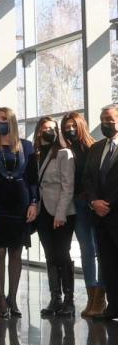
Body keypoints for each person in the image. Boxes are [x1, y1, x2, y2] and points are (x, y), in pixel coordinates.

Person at [0, 107, 38, 320]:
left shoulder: (27, 146)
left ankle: (13, 297)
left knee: (16, 252)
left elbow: (32, 179)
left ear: (11, 120)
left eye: (4, 119)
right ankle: (0, 297)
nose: (0, 122)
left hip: (20, 205)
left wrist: (34, 203)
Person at [61, 112, 105, 317]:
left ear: (80, 125)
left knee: (101, 251)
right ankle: (91, 296)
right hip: (78, 204)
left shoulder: (95, 147)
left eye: (72, 125)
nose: (69, 129)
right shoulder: (66, 151)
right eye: (66, 126)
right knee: (87, 251)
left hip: (94, 205)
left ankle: (100, 298)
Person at [32, 116, 76, 317]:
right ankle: (54, 298)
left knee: (62, 254)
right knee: (50, 255)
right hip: (42, 212)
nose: (47, 131)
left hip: (62, 212)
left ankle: (69, 300)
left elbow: (68, 186)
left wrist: (60, 213)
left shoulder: (63, 153)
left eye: (52, 128)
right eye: (44, 128)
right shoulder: (38, 154)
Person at [84, 104, 118, 321]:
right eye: (102, 119)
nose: (105, 123)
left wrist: (109, 204)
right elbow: (87, 179)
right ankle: (113, 307)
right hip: (100, 217)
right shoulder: (96, 148)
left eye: (109, 119)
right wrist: (94, 201)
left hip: (115, 212)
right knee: (108, 264)